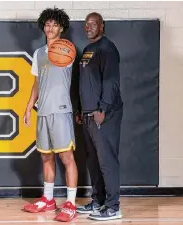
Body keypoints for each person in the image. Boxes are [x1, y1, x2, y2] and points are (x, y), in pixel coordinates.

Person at [23, 7, 78, 222]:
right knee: (46, 156)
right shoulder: (38, 53)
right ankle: (48, 199)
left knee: (66, 157)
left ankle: (71, 203)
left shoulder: (67, 50)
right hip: (43, 111)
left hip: (61, 110)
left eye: (55, 24)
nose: (50, 27)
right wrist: (29, 107)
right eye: (47, 24)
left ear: (61, 27)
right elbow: (36, 84)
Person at [75, 12, 123, 221]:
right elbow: (84, 83)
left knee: (107, 161)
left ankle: (113, 207)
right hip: (87, 114)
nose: (88, 27)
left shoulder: (107, 48)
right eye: (86, 24)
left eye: (93, 24)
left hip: (103, 114)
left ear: (102, 26)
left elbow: (111, 82)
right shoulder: (87, 50)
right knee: (93, 161)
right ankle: (98, 202)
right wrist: (80, 109)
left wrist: (102, 109)